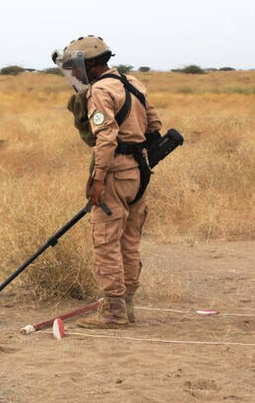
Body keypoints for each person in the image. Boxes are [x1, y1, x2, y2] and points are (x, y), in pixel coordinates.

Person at [55, 36, 162, 329]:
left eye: (76, 67)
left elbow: (106, 137)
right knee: (129, 240)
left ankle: (114, 312)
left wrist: (98, 179)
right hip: (139, 172)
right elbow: (154, 125)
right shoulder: (133, 83)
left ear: (89, 64)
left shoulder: (100, 91)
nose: (74, 73)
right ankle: (127, 306)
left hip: (115, 172)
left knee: (105, 241)